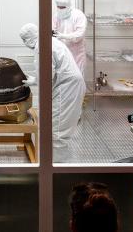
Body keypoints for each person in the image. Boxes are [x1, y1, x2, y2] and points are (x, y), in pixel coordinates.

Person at [20, 23, 85, 162]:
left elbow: (46, 73)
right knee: (59, 128)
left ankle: (56, 171)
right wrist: (36, 80)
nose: (25, 43)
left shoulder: (41, 46)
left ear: (29, 38)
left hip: (67, 88)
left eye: (24, 39)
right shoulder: (51, 41)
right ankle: (56, 166)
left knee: (57, 131)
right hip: (70, 86)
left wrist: (39, 80)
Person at [53, 0, 88, 75]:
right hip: (61, 52)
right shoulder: (56, 16)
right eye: (58, 7)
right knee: (64, 77)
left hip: (76, 53)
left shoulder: (78, 15)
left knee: (77, 77)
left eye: (63, 7)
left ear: (69, 6)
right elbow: (52, 30)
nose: (60, 9)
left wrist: (63, 36)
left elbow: (80, 34)